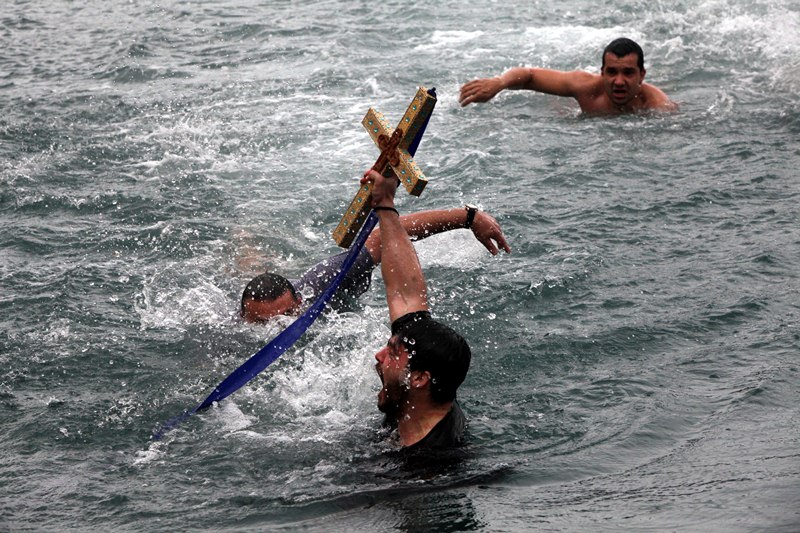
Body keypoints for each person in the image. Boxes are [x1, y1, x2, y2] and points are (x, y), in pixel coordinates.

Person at [240, 205, 510, 323]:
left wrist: (468, 217)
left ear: (299, 302)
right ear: (244, 318)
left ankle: (246, 236)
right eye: (262, 324)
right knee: (246, 263)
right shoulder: (229, 331)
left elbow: (384, 235)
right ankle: (242, 238)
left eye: (286, 317)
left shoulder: (325, 282)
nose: (277, 329)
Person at [365, 168, 473, 449]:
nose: (378, 356)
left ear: (420, 378)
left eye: (391, 353)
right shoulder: (417, 392)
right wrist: (385, 203)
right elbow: (406, 292)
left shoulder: (426, 466)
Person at [459, 37, 676, 115]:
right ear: (602, 73)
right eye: (611, 72)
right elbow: (529, 75)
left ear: (642, 75)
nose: (618, 81)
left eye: (628, 73)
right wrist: (500, 83)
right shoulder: (586, 86)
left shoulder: (657, 106)